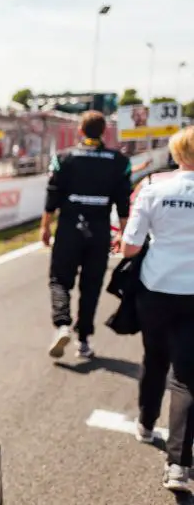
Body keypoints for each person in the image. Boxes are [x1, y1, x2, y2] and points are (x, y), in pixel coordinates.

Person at [121, 126, 194, 493]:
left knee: (155, 358)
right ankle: (179, 465)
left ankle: (147, 423)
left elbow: (130, 247)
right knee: (187, 376)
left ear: (177, 154)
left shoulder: (153, 188)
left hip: (156, 288)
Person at [41, 110, 131, 359]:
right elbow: (123, 203)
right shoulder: (119, 161)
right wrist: (123, 234)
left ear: (80, 130)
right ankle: (83, 340)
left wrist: (45, 226)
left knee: (60, 280)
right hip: (99, 231)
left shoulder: (64, 157)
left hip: (69, 229)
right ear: (104, 131)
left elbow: (52, 194)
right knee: (91, 285)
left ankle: (62, 325)